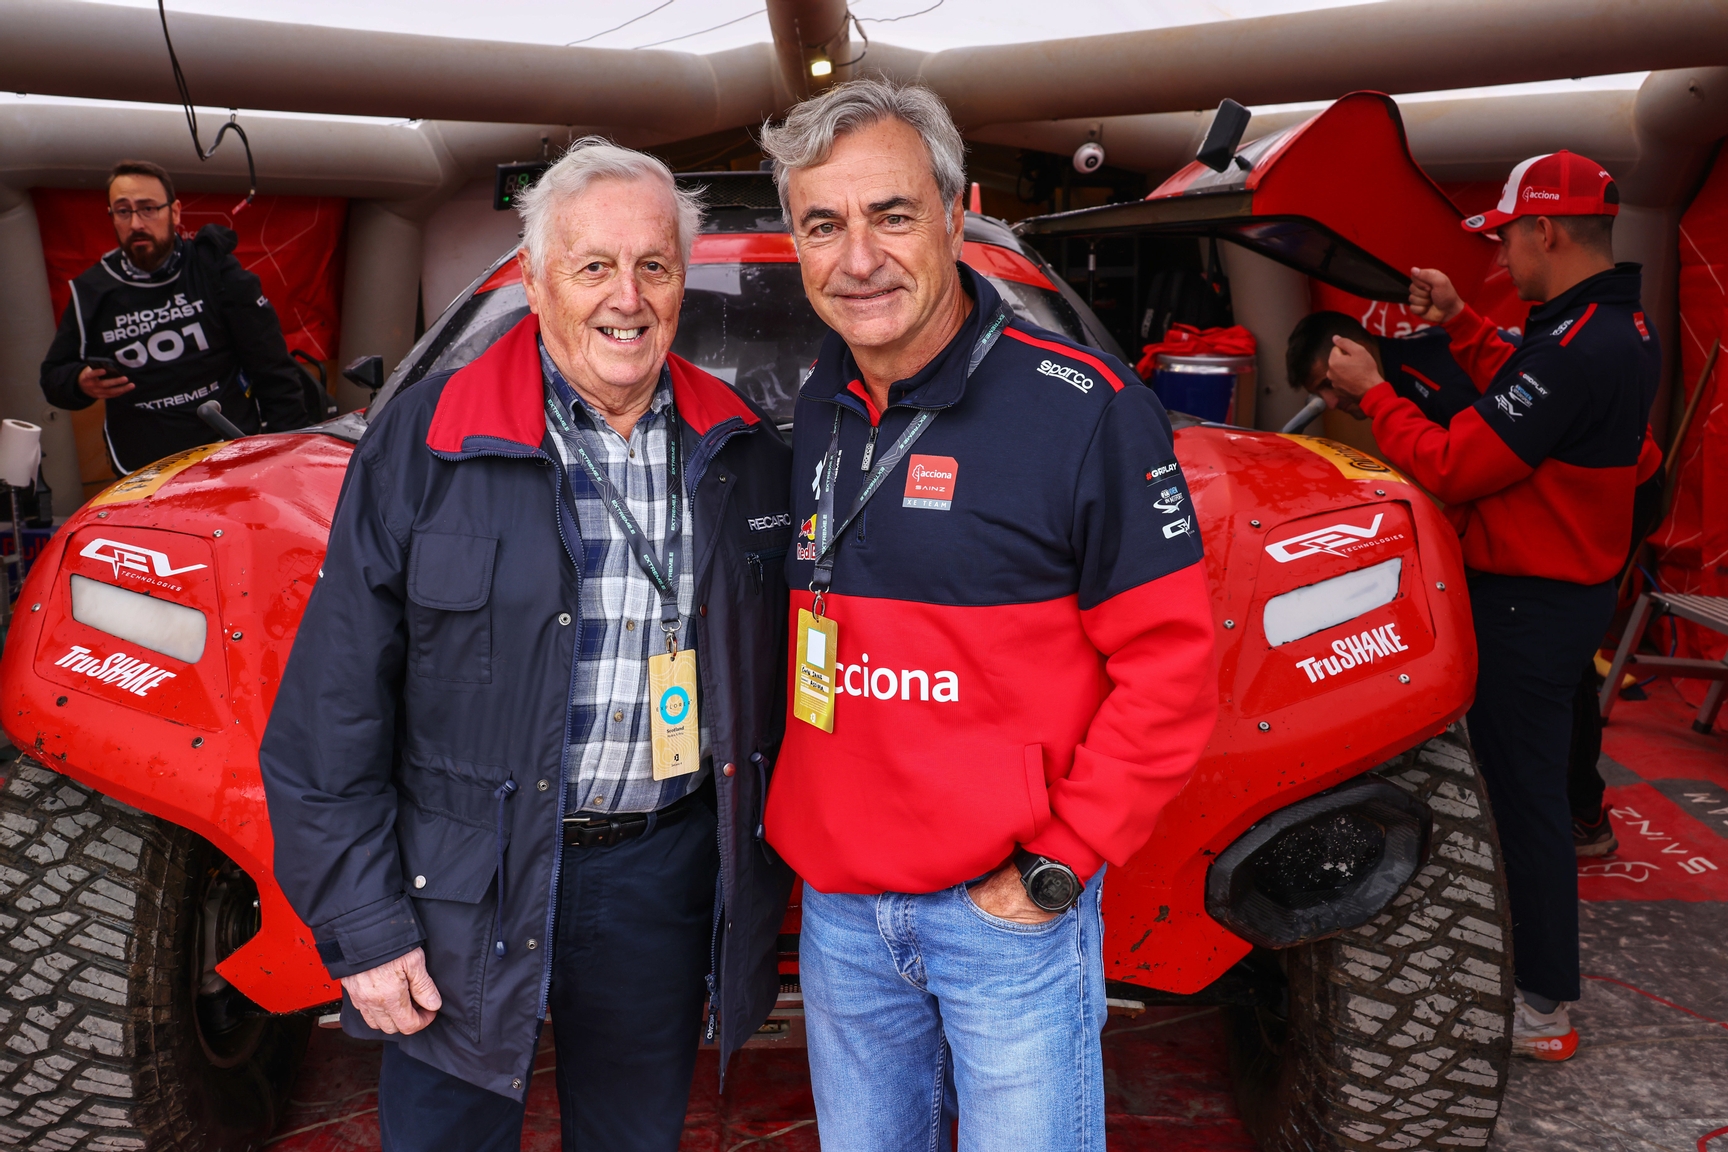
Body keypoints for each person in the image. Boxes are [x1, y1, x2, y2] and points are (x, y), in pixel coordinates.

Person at [258, 139, 794, 1151]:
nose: (626, 299)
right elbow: (332, 717)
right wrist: (368, 928)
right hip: (462, 878)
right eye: (594, 266)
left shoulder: (744, 455)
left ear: (684, 281)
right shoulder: (428, 440)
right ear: (537, 282)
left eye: (653, 266)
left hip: (658, 881)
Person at [760, 80, 1217, 1150]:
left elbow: (1172, 672)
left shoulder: (1088, 410)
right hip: (840, 915)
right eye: (824, 224)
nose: (858, 258)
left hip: (1006, 913)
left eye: (892, 214)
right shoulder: (817, 401)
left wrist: (1061, 862)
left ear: (957, 213)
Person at [1326, 150, 1660, 1063]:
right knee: (1527, 788)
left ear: (1545, 229)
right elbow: (1524, 371)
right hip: (1564, 591)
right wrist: (1464, 322)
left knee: (1525, 804)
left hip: (1532, 605)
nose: (1501, 257)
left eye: (1507, 238)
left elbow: (1453, 464)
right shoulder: (1607, 324)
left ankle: (1544, 1003)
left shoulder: (1584, 344)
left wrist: (1374, 394)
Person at [1286, 312, 1628, 855]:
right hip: (1551, 556)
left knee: (1560, 691)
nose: (1330, 400)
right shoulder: (1413, 378)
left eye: (1329, 382)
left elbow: (1458, 470)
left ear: (1356, 351)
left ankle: (1582, 810)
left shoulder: (1437, 380)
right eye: (1318, 391)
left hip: (1566, 559)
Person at [39, 159, 312, 476]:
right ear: (112, 218)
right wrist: (79, 382)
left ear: (175, 212)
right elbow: (52, 378)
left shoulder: (214, 269)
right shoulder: (90, 291)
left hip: (230, 453)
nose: (137, 223)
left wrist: (290, 451)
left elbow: (273, 368)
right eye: (123, 211)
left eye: (148, 208)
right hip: (143, 468)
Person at [1286, 310, 1484, 427]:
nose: (1330, 404)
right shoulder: (1405, 360)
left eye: (1329, 382)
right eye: (1318, 394)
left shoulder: (1442, 388)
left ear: (1360, 351)